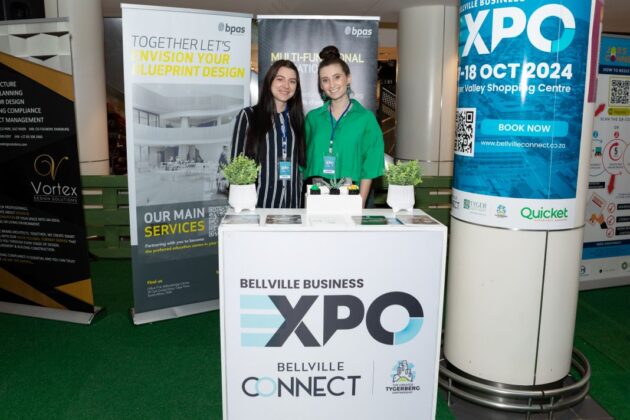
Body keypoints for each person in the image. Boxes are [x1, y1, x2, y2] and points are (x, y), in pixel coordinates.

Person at [304, 45, 384, 207]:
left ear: (348, 78)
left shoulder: (366, 119)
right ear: (321, 85)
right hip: (318, 198)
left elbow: (370, 164)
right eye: (325, 80)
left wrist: (360, 203)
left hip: (354, 196)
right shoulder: (313, 118)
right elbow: (302, 160)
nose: (331, 84)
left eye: (337, 77)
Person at [231, 60, 305, 208]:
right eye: (280, 79)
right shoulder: (249, 116)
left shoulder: (298, 120)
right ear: (269, 81)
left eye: (292, 81)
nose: (286, 86)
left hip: (293, 206)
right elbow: (237, 166)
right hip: (259, 205)